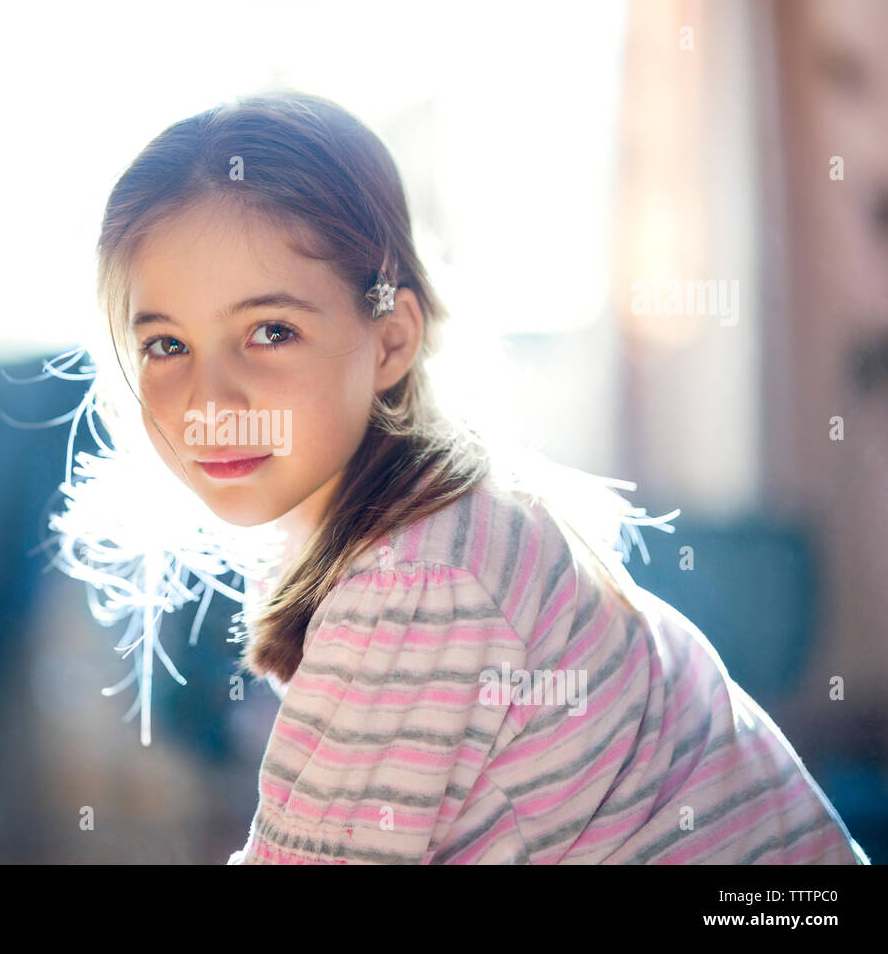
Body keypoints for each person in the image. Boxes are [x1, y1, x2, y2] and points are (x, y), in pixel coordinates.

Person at [46, 90, 870, 864]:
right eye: (164, 345)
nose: (209, 399)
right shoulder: (429, 526)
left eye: (270, 331)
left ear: (391, 341)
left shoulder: (419, 578)